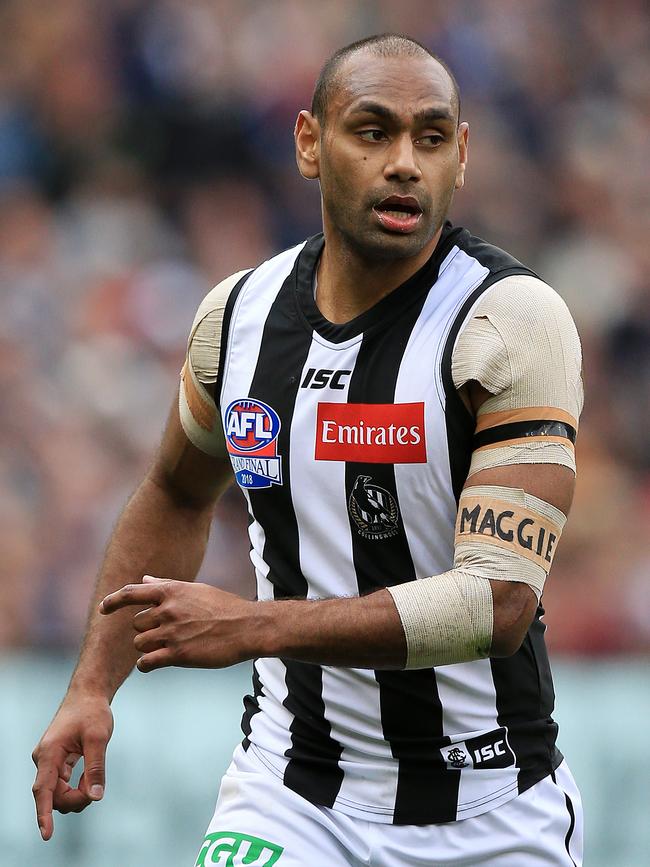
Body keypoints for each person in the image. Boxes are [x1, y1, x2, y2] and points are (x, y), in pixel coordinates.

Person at [32, 34, 584, 866]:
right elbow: (177, 494)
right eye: (372, 132)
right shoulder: (239, 317)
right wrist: (92, 685)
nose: (405, 163)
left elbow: (497, 604)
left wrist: (255, 626)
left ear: (461, 157)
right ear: (308, 143)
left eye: (431, 138)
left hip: (488, 808)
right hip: (293, 793)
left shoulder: (510, 322)